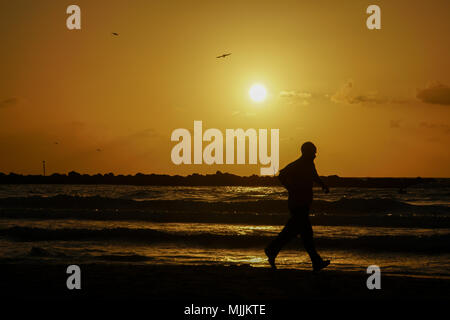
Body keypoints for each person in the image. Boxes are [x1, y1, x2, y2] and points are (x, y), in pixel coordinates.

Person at [265, 141, 330, 272]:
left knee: (296, 233)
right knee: (305, 233)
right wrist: (291, 188)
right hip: (297, 204)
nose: (315, 154)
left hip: (304, 203)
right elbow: (281, 174)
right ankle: (315, 261)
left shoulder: (309, 164)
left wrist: (322, 184)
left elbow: (314, 176)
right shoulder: (298, 164)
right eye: (313, 152)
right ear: (306, 152)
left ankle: (272, 250)